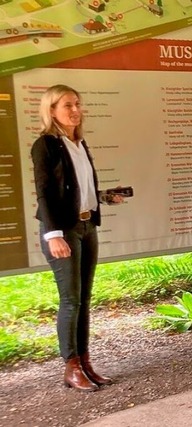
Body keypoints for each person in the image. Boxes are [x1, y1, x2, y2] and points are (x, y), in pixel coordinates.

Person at [32, 84, 123, 391]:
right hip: (64, 230)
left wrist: (104, 197)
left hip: (86, 227)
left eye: (77, 104)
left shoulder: (78, 143)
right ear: (52, 110)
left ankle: (84, 362)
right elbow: (44, 193)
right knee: (70, 300)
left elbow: (74, 190)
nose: (74, 110)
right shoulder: (46, 144)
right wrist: (53, 234)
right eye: (67, 105)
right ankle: (71, 366)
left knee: (84, 299)